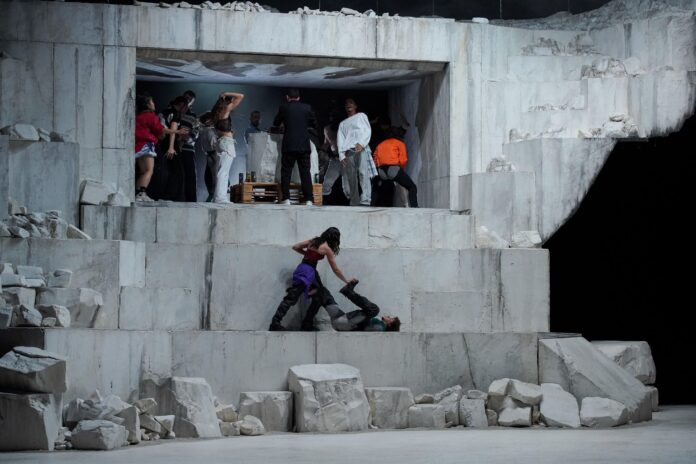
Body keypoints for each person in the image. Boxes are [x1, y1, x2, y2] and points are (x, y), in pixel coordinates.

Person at [269, 227, 355, 331]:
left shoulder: (313, 241)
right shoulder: (327, 248)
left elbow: (296, 247)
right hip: (307, 272)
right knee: (291, 298)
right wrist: (346, 281)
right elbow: (335, 269)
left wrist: (307, 254)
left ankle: (307, 324)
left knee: (319, 295)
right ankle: (275, 323)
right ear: (334, 239)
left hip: (305, 269)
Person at [133, 93, 188, 202]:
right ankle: (140, 194)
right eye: (152, 102)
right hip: (146, 145)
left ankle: (139, 193)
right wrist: (177, 131)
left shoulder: (139, 116)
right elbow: (161, 129)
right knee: (149, 170)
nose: (154, 104)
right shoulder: (150, 116)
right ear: (147, 104)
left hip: (139, 145)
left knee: (144, 171)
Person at [273, 88, 318, 206]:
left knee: (286, 172)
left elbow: (276, 123)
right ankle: (309, 199)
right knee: (305, 172)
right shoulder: (307, 108)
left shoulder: (284, 107)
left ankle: (286, 199)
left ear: (287, 98)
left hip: (289, 145)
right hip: (304, 145)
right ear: (299, 98)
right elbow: (314, 124)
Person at [301, 280, 401, 332]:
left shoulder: (380, 327)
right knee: (322, 292)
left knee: (375, 310)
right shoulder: (378, 323)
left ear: (389, 325)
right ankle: (306, 324)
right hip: (341, 319)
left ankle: (348, 292)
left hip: (345, 324)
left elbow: (365, 329)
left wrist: (370, 319)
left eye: (390, 318)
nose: (388, 316)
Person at [338, 98, 376, 206]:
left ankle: (366, 200)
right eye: (346, 104)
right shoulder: (343, 124)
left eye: (351, 103)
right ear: (345, 108)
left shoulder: (361, 116)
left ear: (355, 106)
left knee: (363, 173)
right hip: (348, 151)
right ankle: (354, 201)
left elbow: (367, 130)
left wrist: (362, 143)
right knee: (351, 177)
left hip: (360, 148)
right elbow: (340, 139)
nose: (348, 105)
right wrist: (341, 155)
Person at [372, 130, 418, 207]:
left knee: (383, 190)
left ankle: (377, 205)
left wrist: (379, 166)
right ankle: (414, 206)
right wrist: (400, 169)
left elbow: (375, 159)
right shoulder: (399, 143)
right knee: (412, 187)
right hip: (393, 169)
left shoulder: (379, 145)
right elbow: (403, 160)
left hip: (382, 171)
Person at [179, 91, 200, 202]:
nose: (187, 100)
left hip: (188, 149)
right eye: (186, 97)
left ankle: (191, 201)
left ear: (192, 102)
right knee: (176, 175)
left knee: (190, 176)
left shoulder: (193, 116)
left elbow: (196, 132)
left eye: (190, 99)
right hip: (174, 149)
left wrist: (186, 138)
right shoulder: (175, 112)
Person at [213, 118, 235, 204]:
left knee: (223, 172)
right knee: (223, 172)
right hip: (226, 143)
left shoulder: (220, 115)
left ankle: (219, 197)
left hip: (224, 142)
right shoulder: (224, 113)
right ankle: (220, 198)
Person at [198, 112, 218, 202]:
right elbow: (197, 121)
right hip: (209, 153)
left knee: (213, 175)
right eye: (207, 119)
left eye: (211, 120)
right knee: (208, 176)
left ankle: (213, 195)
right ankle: (211, 194)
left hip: (214, 153)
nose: (209, 121)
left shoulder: (213, 130)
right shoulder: (203, 129)